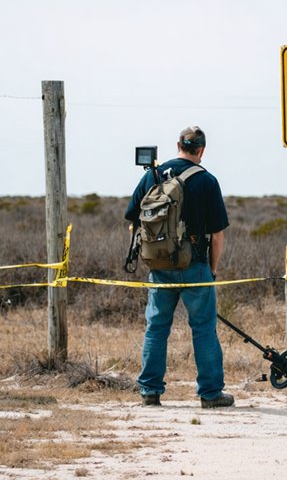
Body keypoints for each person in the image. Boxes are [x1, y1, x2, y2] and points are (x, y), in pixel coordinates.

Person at [124, 126, 233, 408]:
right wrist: (212, 269)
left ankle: (150, 391)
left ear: (178, 145)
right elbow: (218, 235)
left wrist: (152, 253)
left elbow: (132, 222)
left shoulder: (153, 175)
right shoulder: (207, 181)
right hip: (195, 264)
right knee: (204, 328)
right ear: (202, 150)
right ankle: (210, 394)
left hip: (159, 266)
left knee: (156, 328)